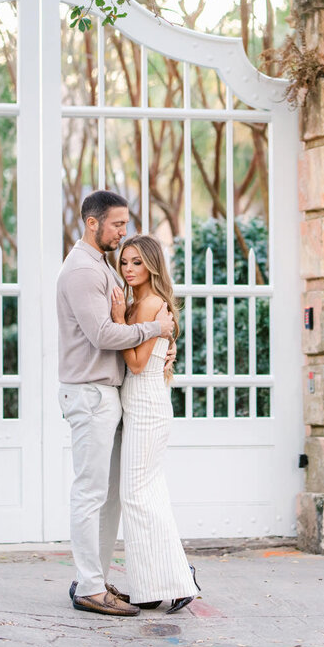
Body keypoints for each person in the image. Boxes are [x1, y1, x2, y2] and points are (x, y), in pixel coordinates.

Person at [56, 190, 174, 617]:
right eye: (117, 224)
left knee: (108, 497)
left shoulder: (99, 266)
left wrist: (157, 342)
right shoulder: (83, 272)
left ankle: (96, 579)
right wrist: (154, 330)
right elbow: (103, 335)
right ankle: (89, 586)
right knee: (90, 494)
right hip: (89, 394)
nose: (124, 232)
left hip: (105, 394)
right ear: (93, 223)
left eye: (125, 224)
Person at [114, 234, 200, 613]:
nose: (129, 269)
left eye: (136, 262)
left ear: (151, 264)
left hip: (148, 405)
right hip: (136, 404)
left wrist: (119, 321)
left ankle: (179, 579)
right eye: (124, 262)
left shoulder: (151, 304)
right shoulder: (138, 304)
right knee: (146, 495)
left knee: (136, 496)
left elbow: (135, 363)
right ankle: (152, 586)